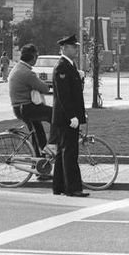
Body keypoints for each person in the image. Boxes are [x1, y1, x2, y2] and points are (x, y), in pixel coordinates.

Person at [50, 34, 89, 197]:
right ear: (64, 48)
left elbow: (75, 94)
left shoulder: (70, 65)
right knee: (69, 152)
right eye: (73, 47)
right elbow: (63, 95)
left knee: (62, 152)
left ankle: (59, 186)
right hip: (66, 118)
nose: (76, 49)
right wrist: (72, 116)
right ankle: (72, 188)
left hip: (68, 116)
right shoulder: (62, 67)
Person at [8, 44, 54, 175]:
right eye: (37, 56)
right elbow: (44, 88)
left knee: (37, 132)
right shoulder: (26, 72)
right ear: (33, 57)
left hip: (20, 108)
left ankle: (40, 164)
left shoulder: (18, 67)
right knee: (54, 115)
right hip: (26, 108)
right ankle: (53, 147)